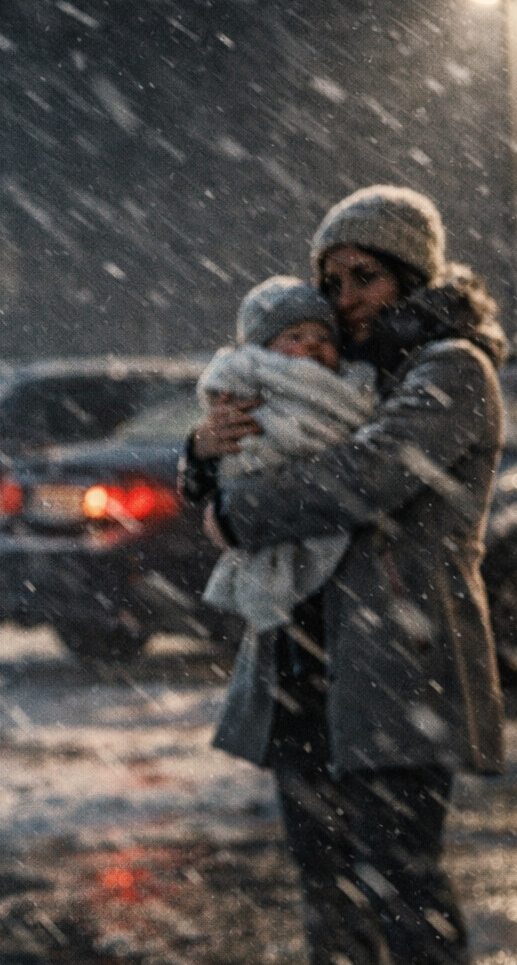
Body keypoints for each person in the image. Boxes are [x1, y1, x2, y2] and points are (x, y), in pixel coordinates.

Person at [182, 185, 507, 965]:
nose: (345, 298)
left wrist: (238, 514)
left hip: (399, 666)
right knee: (328, 899)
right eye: (331, 281)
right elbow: (253, 446)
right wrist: (202, 450)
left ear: (412, 276)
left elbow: (364, 478)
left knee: (402, 891)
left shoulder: (454, 369)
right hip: (304, 667)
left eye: (366, 276)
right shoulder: (331, 371)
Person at [194, 276, 378, 765]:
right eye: (295, 337)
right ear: (264, 349)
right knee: (300, 737)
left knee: (314, 734)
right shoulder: (250, 385)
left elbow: (357, 470)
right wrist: (203, 453)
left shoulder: (359, 389)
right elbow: (227, 461)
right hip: (289, 555)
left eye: (322, 338)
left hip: (336, 574)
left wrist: (239, 503)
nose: (312, 348)